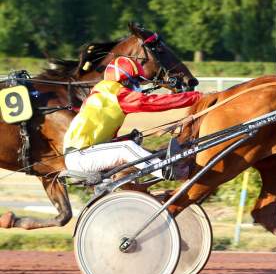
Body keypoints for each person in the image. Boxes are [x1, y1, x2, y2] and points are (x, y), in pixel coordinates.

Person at [63, 56, 200, 181]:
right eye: (136, 82)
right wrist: (195, 97)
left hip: (85, 154)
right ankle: (165, 170)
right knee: (126, 148)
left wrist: (123, 138)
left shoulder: (105, 93)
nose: (138, 87)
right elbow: (152, 102)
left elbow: (99, 135)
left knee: (130, 148)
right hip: (81, 156)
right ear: (125, 80)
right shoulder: (115, 94)